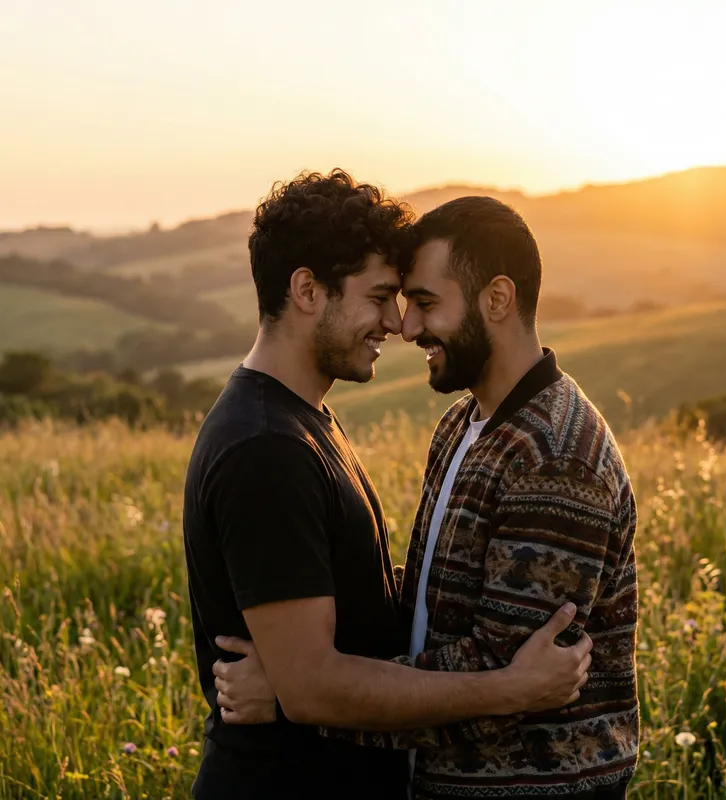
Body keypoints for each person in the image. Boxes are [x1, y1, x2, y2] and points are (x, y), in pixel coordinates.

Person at [183, 172, 594, 800]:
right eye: (379, 297)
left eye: (409, 300)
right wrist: (507, 687)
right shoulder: (267, 449)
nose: (395, 324)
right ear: (306, 290)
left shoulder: (303, 422)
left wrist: (294, 688)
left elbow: (346, 626)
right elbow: (315, 687)